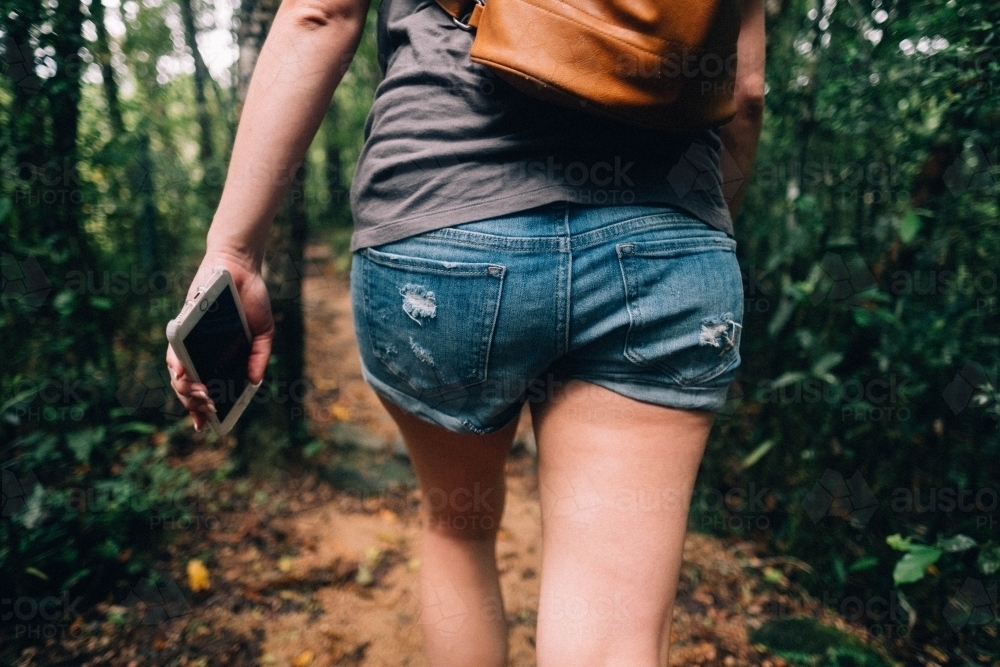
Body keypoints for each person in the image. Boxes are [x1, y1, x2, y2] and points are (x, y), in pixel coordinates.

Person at [167, 0, 765, 663]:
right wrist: (687, 240)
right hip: (662, 233)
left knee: (459, 528)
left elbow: (320, 15)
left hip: (439, 223)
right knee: (612, 637)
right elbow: (744, 92)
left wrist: (234, 251)